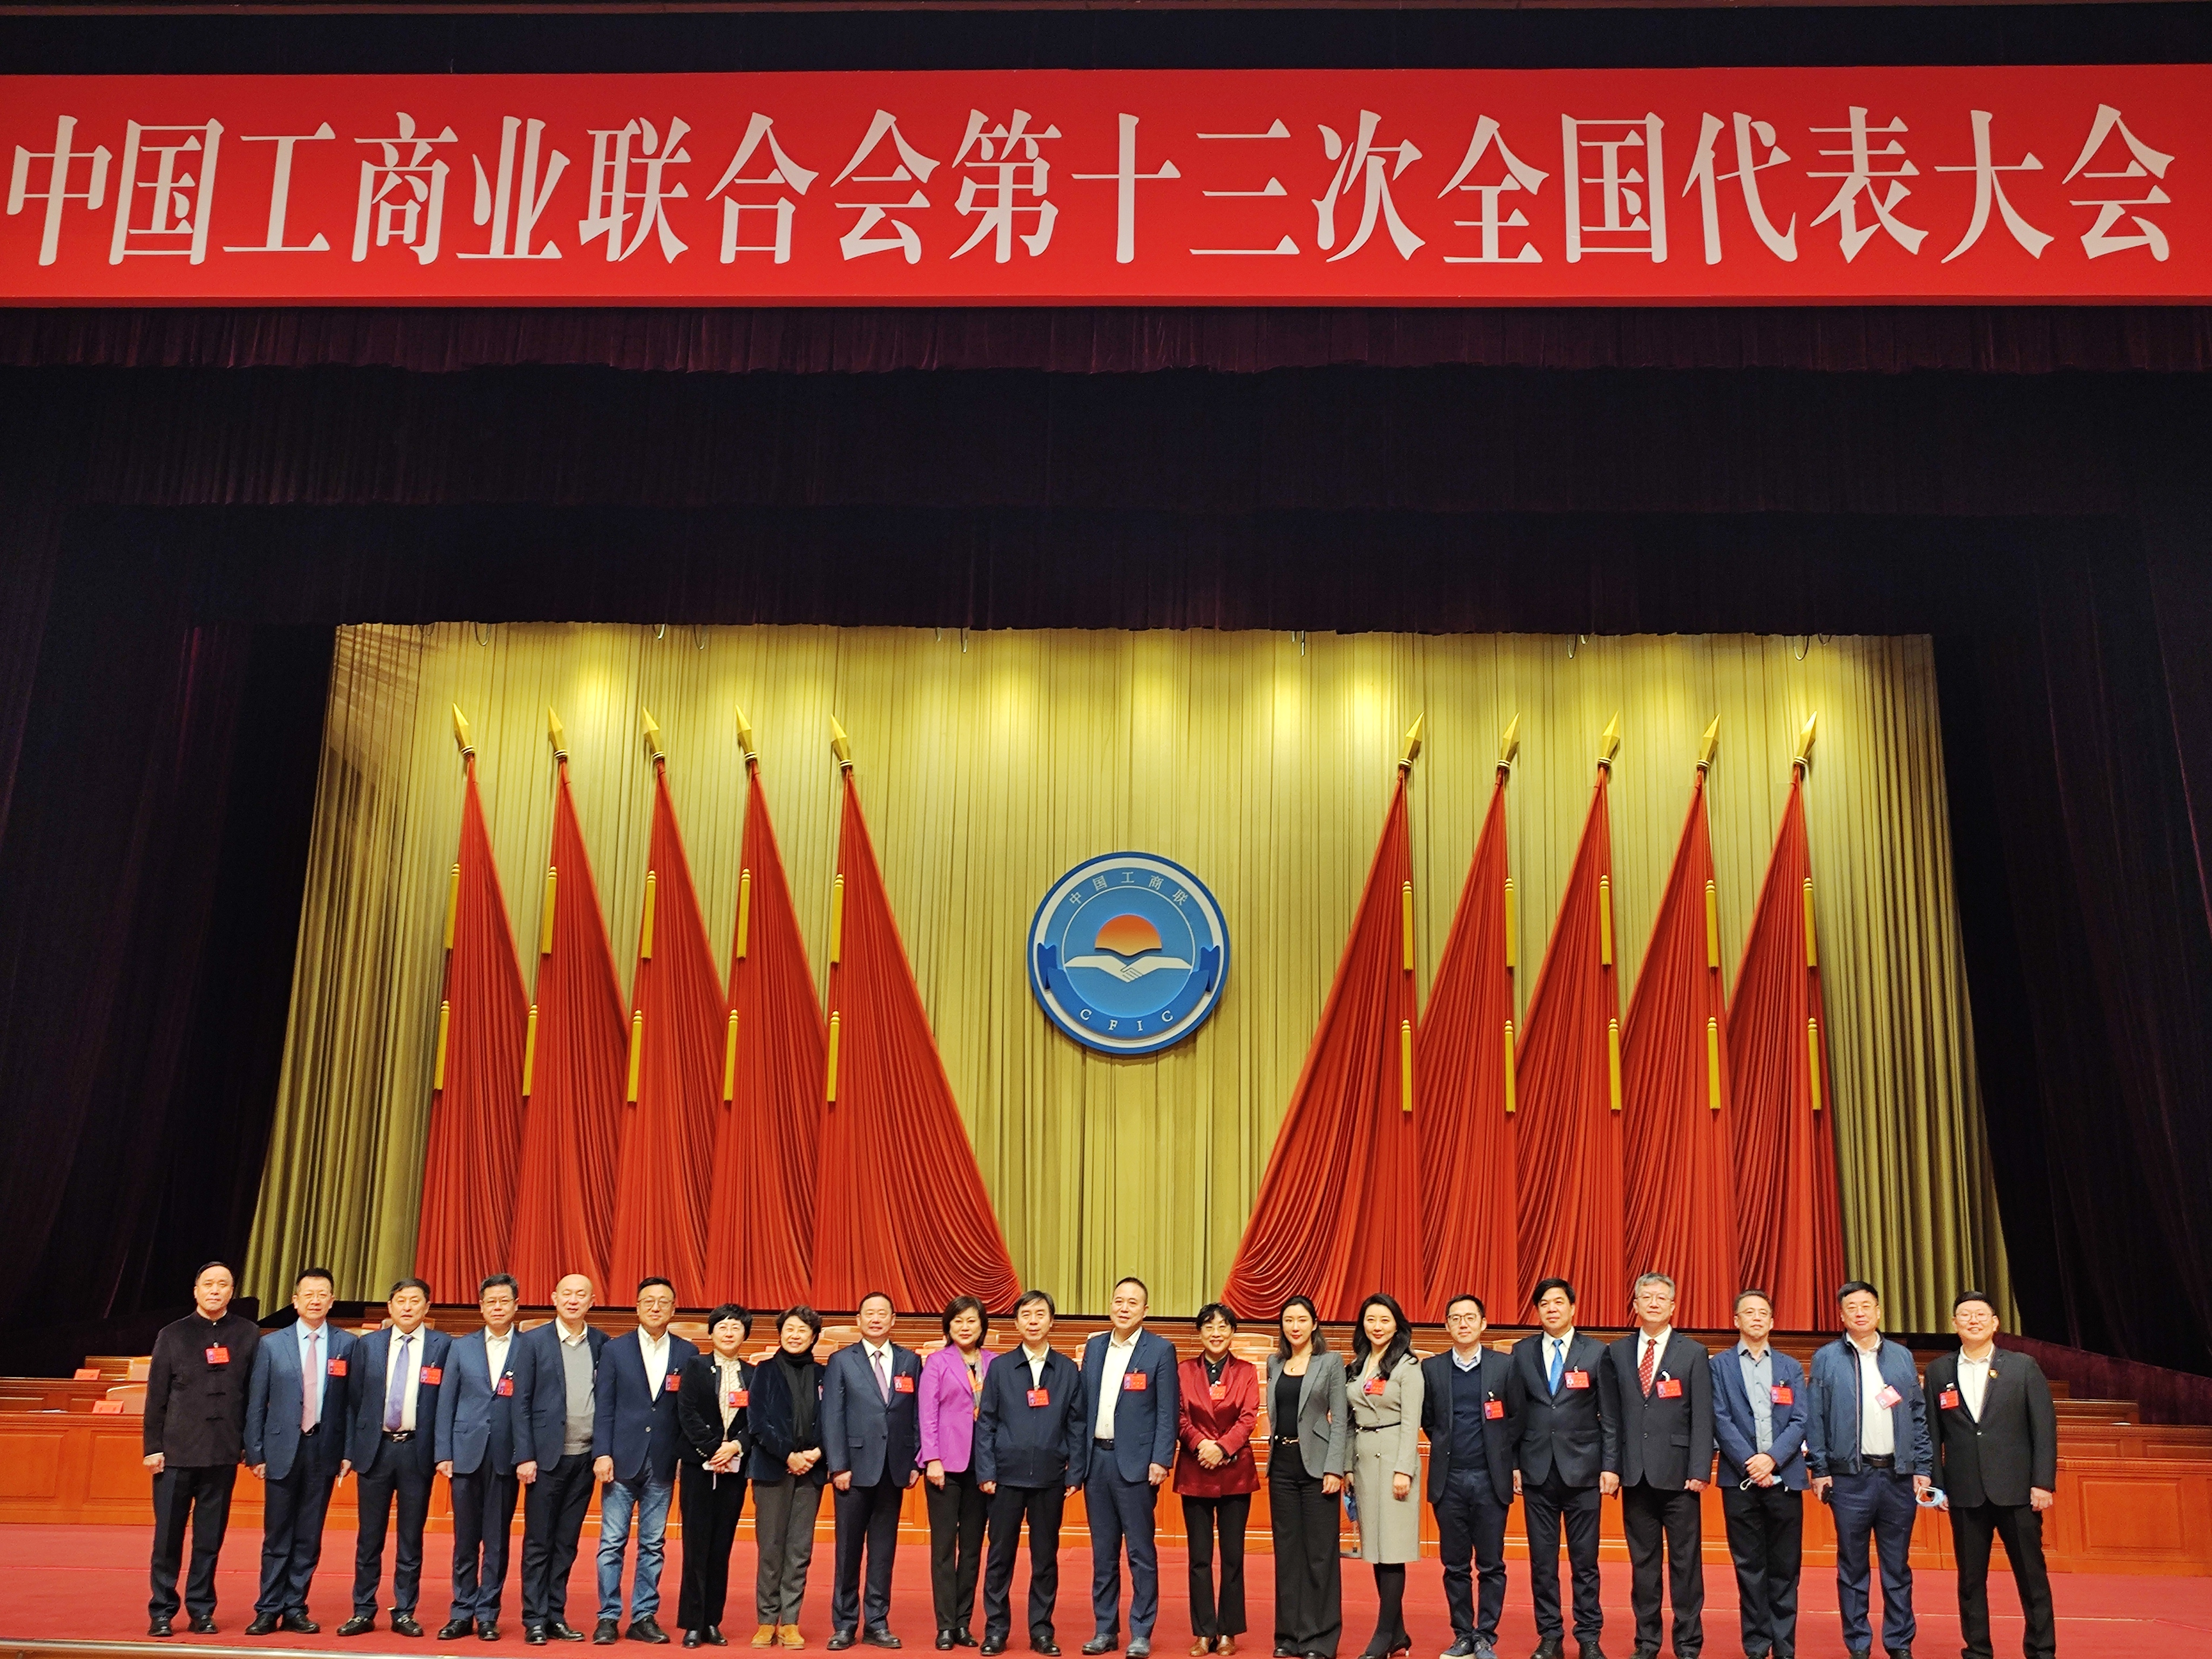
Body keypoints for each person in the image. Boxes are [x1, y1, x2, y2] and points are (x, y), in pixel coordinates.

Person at [1923, 1292, 2058, 1659]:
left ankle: (2041, 1651)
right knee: (1970, 1582)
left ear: (1995, 1322)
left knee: (2032, 1578)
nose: (1974, 1321)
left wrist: (2042, 1482)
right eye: (1965, 1315)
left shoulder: (2023, 1367)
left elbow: (2044, 1428)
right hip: (1965, 1492)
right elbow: (1932, 1433)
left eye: (1981, 1315)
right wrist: (1937, 1485)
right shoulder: (1939, 1371)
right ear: (1954, 1324)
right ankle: (1978, 1650)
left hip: (2018, 1491)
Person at [1806, 1280, 1932, 1659]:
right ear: (1842, 1316)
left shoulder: (1901, 1357)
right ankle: (1858, 1644)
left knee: (1898, 1567)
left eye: (1866, 1306)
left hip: (1898, 1477)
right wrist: (1820, 1469)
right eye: (1852, 1307)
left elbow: (1918, 1414)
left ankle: (1899, 1643)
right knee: (1852, 1567)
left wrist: (1922, 1466)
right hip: (1850, 1480)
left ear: (1878, 1311)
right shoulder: (1826, 1358)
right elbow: (1816, 1418)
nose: (1860, 1312)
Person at [145, 1260, 264, 1638]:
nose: (215, 1290)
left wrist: (249, 1446)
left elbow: (254, 1395)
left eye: (223, 1284)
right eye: (208, 1284)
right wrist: (153, 1447)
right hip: (175, 1453)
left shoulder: (248, 1333)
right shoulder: (173, 1334)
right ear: (196, 1290)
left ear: (232, 1292)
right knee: (168, 1537)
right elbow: (156, 1396)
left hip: (223, 1452)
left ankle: (201, 1609)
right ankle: (162, 1611)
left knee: (209, 1539)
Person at [1601, 1274, 1711, 1659]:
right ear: (1635, 1305)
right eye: (1646, 1297)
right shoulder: (1616, 1352)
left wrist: (1700, 1469)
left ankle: (1688, 1643)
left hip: (1681, 1476)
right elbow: (1611, 1417)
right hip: (1635, 1475)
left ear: (1673, 1306)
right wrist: (1611, 1466)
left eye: (1661, 1298)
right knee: (1644, 1566)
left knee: (1686, 1564)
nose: (1653, 1303)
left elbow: (1702, 1416)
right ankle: (1647, 1642)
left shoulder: (1693, 1352)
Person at [975, 1289, 1089, 1658]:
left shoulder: (1068, 1370)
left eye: (1040, 1314)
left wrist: (1075, 1473)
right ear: (1017, 1323)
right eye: (1026, 1315)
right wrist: (986, 1470)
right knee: (1000, 1558)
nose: (1034, 1321)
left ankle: (1041, 1630)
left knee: (1045, 1559)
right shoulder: (1001, 1368)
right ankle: (996, 1630)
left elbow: (1077, 1424)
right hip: (1005, 1478)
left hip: (1050, 1479)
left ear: (1052, 1322)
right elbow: (986, 1423)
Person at [244, 1266, 357, 1636]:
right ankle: (268, 1608)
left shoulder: (346, 1344)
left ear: (332, 1300)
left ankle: (295, 1606)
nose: (315, 1300)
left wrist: (348, 1451)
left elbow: (352, 1405)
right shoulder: (271, 1345)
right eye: (308, 1294)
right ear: (295, 1301)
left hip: (324, 1449)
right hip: (281, 1449)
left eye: (323, 1294)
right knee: (277, 1535)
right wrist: (255, 1452)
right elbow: (256, 1402)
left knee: (309, 1536)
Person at [1504, 1277, 1612, 1659]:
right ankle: (1550, 1635)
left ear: (1573, 1308)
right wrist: (1514, 1464)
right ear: (1537, 1311)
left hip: (1584, 1471)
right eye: (1545, 1304)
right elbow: (1514, 1414)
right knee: (1542, 1562)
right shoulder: (1521, 1352)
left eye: (1558, 1302)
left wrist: (1610, 1466)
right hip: (1537, 1471)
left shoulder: (1596, 1352)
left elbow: (1610, 1416)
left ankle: (1589, 1636)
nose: (1552, 1309)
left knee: (1585, 1562)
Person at [341, 1278, 452, 1638]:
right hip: (375, 1450)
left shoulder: (443, 1346)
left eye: (415, 1301)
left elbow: (447, 1404)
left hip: (417, 1451)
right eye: (401, 1300)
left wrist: (443, 1452)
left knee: (410, 1538)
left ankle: (404, 1611)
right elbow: (353, 1401)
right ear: (390, 1307)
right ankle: (363, 1610)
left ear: (427, 1307)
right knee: (369, 1538)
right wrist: (350, 1450)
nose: (407, 1307)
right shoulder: (367, 1345)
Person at [593, 1277, 699, 1645]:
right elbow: (604, 1406)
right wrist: (602, 1453)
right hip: (620, 1460)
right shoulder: (614, 1350)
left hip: (664, 1461)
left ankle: (644, 1616)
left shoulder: (687, 1353)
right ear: (637, 1307)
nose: (656, 1308)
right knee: (612, 1544)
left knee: (653, 1545)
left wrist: (685, 1457)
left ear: (674, 1309)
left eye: (663, 1302)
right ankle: (608, 1617)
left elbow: (688, 1413)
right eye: (649, 1301)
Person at [1081, 1277, 1181, 1659]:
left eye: (1132, 1302)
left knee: (1140, 1554)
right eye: (1119, 1301)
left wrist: (1161, 1459)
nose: (1124, 1308)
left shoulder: (1160, 1350)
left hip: (1137, 1466)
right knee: (1103, 1554)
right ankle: (1105, 1629)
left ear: (1145, 1310)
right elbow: (1083, 1405)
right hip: (1097, 1462)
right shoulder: (1094, 1347)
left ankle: (1141, 1631)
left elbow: (1168, 1411)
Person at [824, 1291, 926, 1651]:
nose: (876, 1318)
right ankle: (845, 1624)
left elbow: (916, 1414)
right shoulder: (841, 1360)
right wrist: (838, 1465)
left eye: (883, 1313)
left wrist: (915, 1461)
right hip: (853, 1470)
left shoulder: (910, 1360)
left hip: (894, 1469)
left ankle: (877, 1623)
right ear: (859, 1320)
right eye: (870, 1313)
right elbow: (832, 1416)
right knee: (848, 1551)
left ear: (894, 1320)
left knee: (883, 1552)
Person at [1710, 1290, 1808, 1659]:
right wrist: (1752, 1461)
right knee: (1749, 1567)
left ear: (1771, 1321)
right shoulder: (1719, 1366)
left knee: (1786, 1568)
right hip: (1740, 1481)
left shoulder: (1789, 1366)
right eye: (1748, 1313)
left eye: (1762, 1313)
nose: (1756, 1318)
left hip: (1785, 1480)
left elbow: (1800, 1420)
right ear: (1736, 1321)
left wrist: (1772, 1459)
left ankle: (1784, 1647)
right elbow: (1719, 1418)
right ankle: (1755, 1646)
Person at [514, 1271, 610, 1645]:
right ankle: (534, 1618)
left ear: (592, 1302)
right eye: (567, 1293)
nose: (573, 1300)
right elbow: (520, 1402)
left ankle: (556, 1614)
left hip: (584, 1459)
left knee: (567, 1543)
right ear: (554, 1298)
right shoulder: (533, 1342)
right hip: (545, 1460)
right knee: (539, 1542)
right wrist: (525, 1455)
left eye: (581, 1295)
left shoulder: (602, 1343)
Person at [1418, 1294, 1514, 1659]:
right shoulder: (1432, 1369)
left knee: (1491, 1565)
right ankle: (1463, 1634)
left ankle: (1486, 1635)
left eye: (1470, 1317)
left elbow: (1516, 1417)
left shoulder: (1504, 1366)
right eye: (1456, 1318)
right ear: (1447, 1326)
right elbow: (1429, 1420)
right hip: (1450, 1479)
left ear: (1483, 1324)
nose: (1463, 1324)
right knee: (1455, 1565)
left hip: (1491, 1479)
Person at [437, 1273, 529, 1641]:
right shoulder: (461, 1347)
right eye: (491, 1301)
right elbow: (446, 1402)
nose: (497, 1307)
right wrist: (444, 1452)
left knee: (497, 1540)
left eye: (504, 1301)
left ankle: (488, 1613)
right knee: (465, 1540)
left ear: (516, 1306)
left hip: (507, 1456)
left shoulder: (529, 1347)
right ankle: (461, 1611)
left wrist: (526, 1454)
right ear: (481, 1306)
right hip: (465, 1453)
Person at [1265, 1296, 1347, 1659]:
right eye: (1288, 1320)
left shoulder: (1330, 1362)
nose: (1295, 1327)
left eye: (1301, 1320)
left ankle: (1320, 1638)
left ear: (1314, 1324)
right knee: (1287, 1555)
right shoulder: (1275, 1362)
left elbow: (1341, 1420)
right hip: (1282, 1466)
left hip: (1317, 1469)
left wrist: (1334, 1467)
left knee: (1320, 1556)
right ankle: (1288, 1636)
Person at [1176, 1304, 1259, 1658]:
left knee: (1232, 1557)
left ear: (1233, 1332)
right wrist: (1201, 1446)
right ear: (1199, 1332)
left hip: (1235, 1472)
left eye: (1223, 1326)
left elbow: (1249, 1417)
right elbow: (1179, 1416)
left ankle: (1228, 1631)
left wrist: (1222, 1448)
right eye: (1209, 1326)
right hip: (1195, 1471)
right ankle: (1203, 1632)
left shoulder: (1246, 1371)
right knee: (1199, 1558)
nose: (1216, 1333)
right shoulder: (1183, 1371)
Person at [1344, 1295, 1422, 1659]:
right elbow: (1348, 1420)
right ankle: (1399, 1633)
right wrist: (1348, 1466)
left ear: (1397, 1325)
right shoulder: (1358, 1365)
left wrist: (1404, 1469)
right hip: (1364, 1462)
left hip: (1394, 1461)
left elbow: (1411, 1422)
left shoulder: (1408, 1366)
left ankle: (1382, 1635)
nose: (1377, 1327)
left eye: (1385, 1320)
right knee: (1376, 1550)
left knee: (1393, 1551)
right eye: (1371, 1320)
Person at [750, 1305, 830, 1650]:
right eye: (789, 1329)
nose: (795, 1336)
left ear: (814, 1337)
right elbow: (758, 1422)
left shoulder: (825, 1373)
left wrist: (817, 1452)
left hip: (811, 1471)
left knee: (799, 1549)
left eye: (802, 1330)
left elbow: (833, 1418)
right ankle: (767, 1621)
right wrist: (788, 1455)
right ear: (780, 1333)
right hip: (773, 1469)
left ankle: (791, 1621)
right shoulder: (764, 1371)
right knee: (771, 1548)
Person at [676, 1304, 757, 1649]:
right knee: (696, 1546)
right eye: (722, 1326)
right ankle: (693, 1623)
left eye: (736, 1327)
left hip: (734, 1471)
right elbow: (687, 1412)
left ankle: (712, 1621)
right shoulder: (695, 1366)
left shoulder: (753, 1374)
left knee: (721, 1547)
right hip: (698, 1467)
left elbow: (757, 1420)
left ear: (745, 1334)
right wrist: (713, 1450)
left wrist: (735, 1447)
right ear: (711, 1332)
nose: (728, 1332)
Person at [920, 1296, 995, 1651]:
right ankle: (945, 1625)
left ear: (982, 1326)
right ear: (948, 1327)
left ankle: (964, 1622)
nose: (965, 1327)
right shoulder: (937, 1362)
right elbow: (927, 1413)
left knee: (972, 1550)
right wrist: (932, 1458)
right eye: (958, 1321)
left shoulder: (995, 1363)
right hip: (946, 1466)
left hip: (983, 1467)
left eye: (971, 1321)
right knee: (943, 1549)